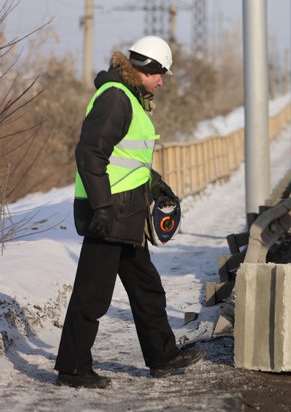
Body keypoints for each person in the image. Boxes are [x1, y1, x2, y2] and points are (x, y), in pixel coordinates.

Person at [55, 36, 204, 388]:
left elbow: (126, 157)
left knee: (147, 288)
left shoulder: (130, 98)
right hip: (109, 214)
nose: (162, 82)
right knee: (92, 294)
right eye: (160, 75)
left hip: (128, 214)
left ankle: (163, 357)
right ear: (146, 70)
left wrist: (153, 183)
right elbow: (90, 154)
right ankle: (72, 369)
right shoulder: (115, 99)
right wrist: (102, 208)